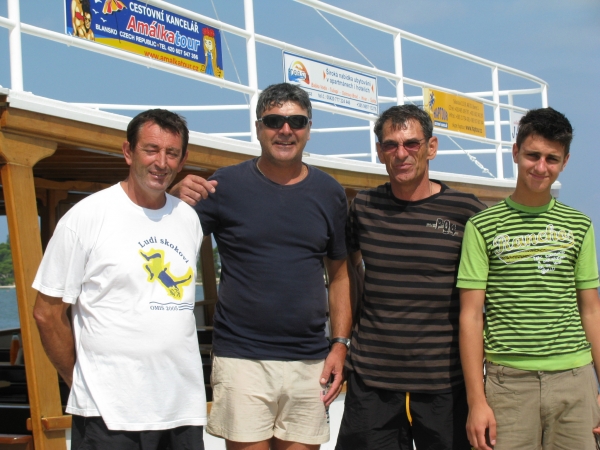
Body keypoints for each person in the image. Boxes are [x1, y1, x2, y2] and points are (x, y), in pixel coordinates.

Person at [170, 82, 352, 450]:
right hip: (241, 359)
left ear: (308, 129)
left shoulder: (330, 193)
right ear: (258, 128)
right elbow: (160, 234)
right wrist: (171, 196)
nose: (285, 130)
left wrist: (339, 345)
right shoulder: (225, 185)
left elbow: (339, 276)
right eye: (273, 121)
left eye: (296, 122)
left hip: (310, 361)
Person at [33, 109, 207, 450]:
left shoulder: (188, 219)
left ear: (183, 159)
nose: (161, 162)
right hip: (108, 414)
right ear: (128, 152)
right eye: (151, 150)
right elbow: (46, 313)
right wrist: (80, 382)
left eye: (171, 153)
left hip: (182, 410)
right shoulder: (87, 216)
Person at [335, 104, 485, 450]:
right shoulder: (363, 207)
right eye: (391, 145)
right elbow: (347, 272)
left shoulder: (466, 211)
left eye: (411, 143)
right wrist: (342, 342)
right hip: (372, 383)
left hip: (446, 384)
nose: (401, 153)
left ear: (431, 147)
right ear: (380, 152)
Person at [458, 107, 600, 450]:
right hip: (507, 384)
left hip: (575, 381)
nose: (540, 167)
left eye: (552, 159)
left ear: (565, 162)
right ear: (515, 152)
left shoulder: (580, 226)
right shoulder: (481, 226)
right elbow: (471, 316)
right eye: (532, 155)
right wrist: (476, 402)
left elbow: (591, 310)